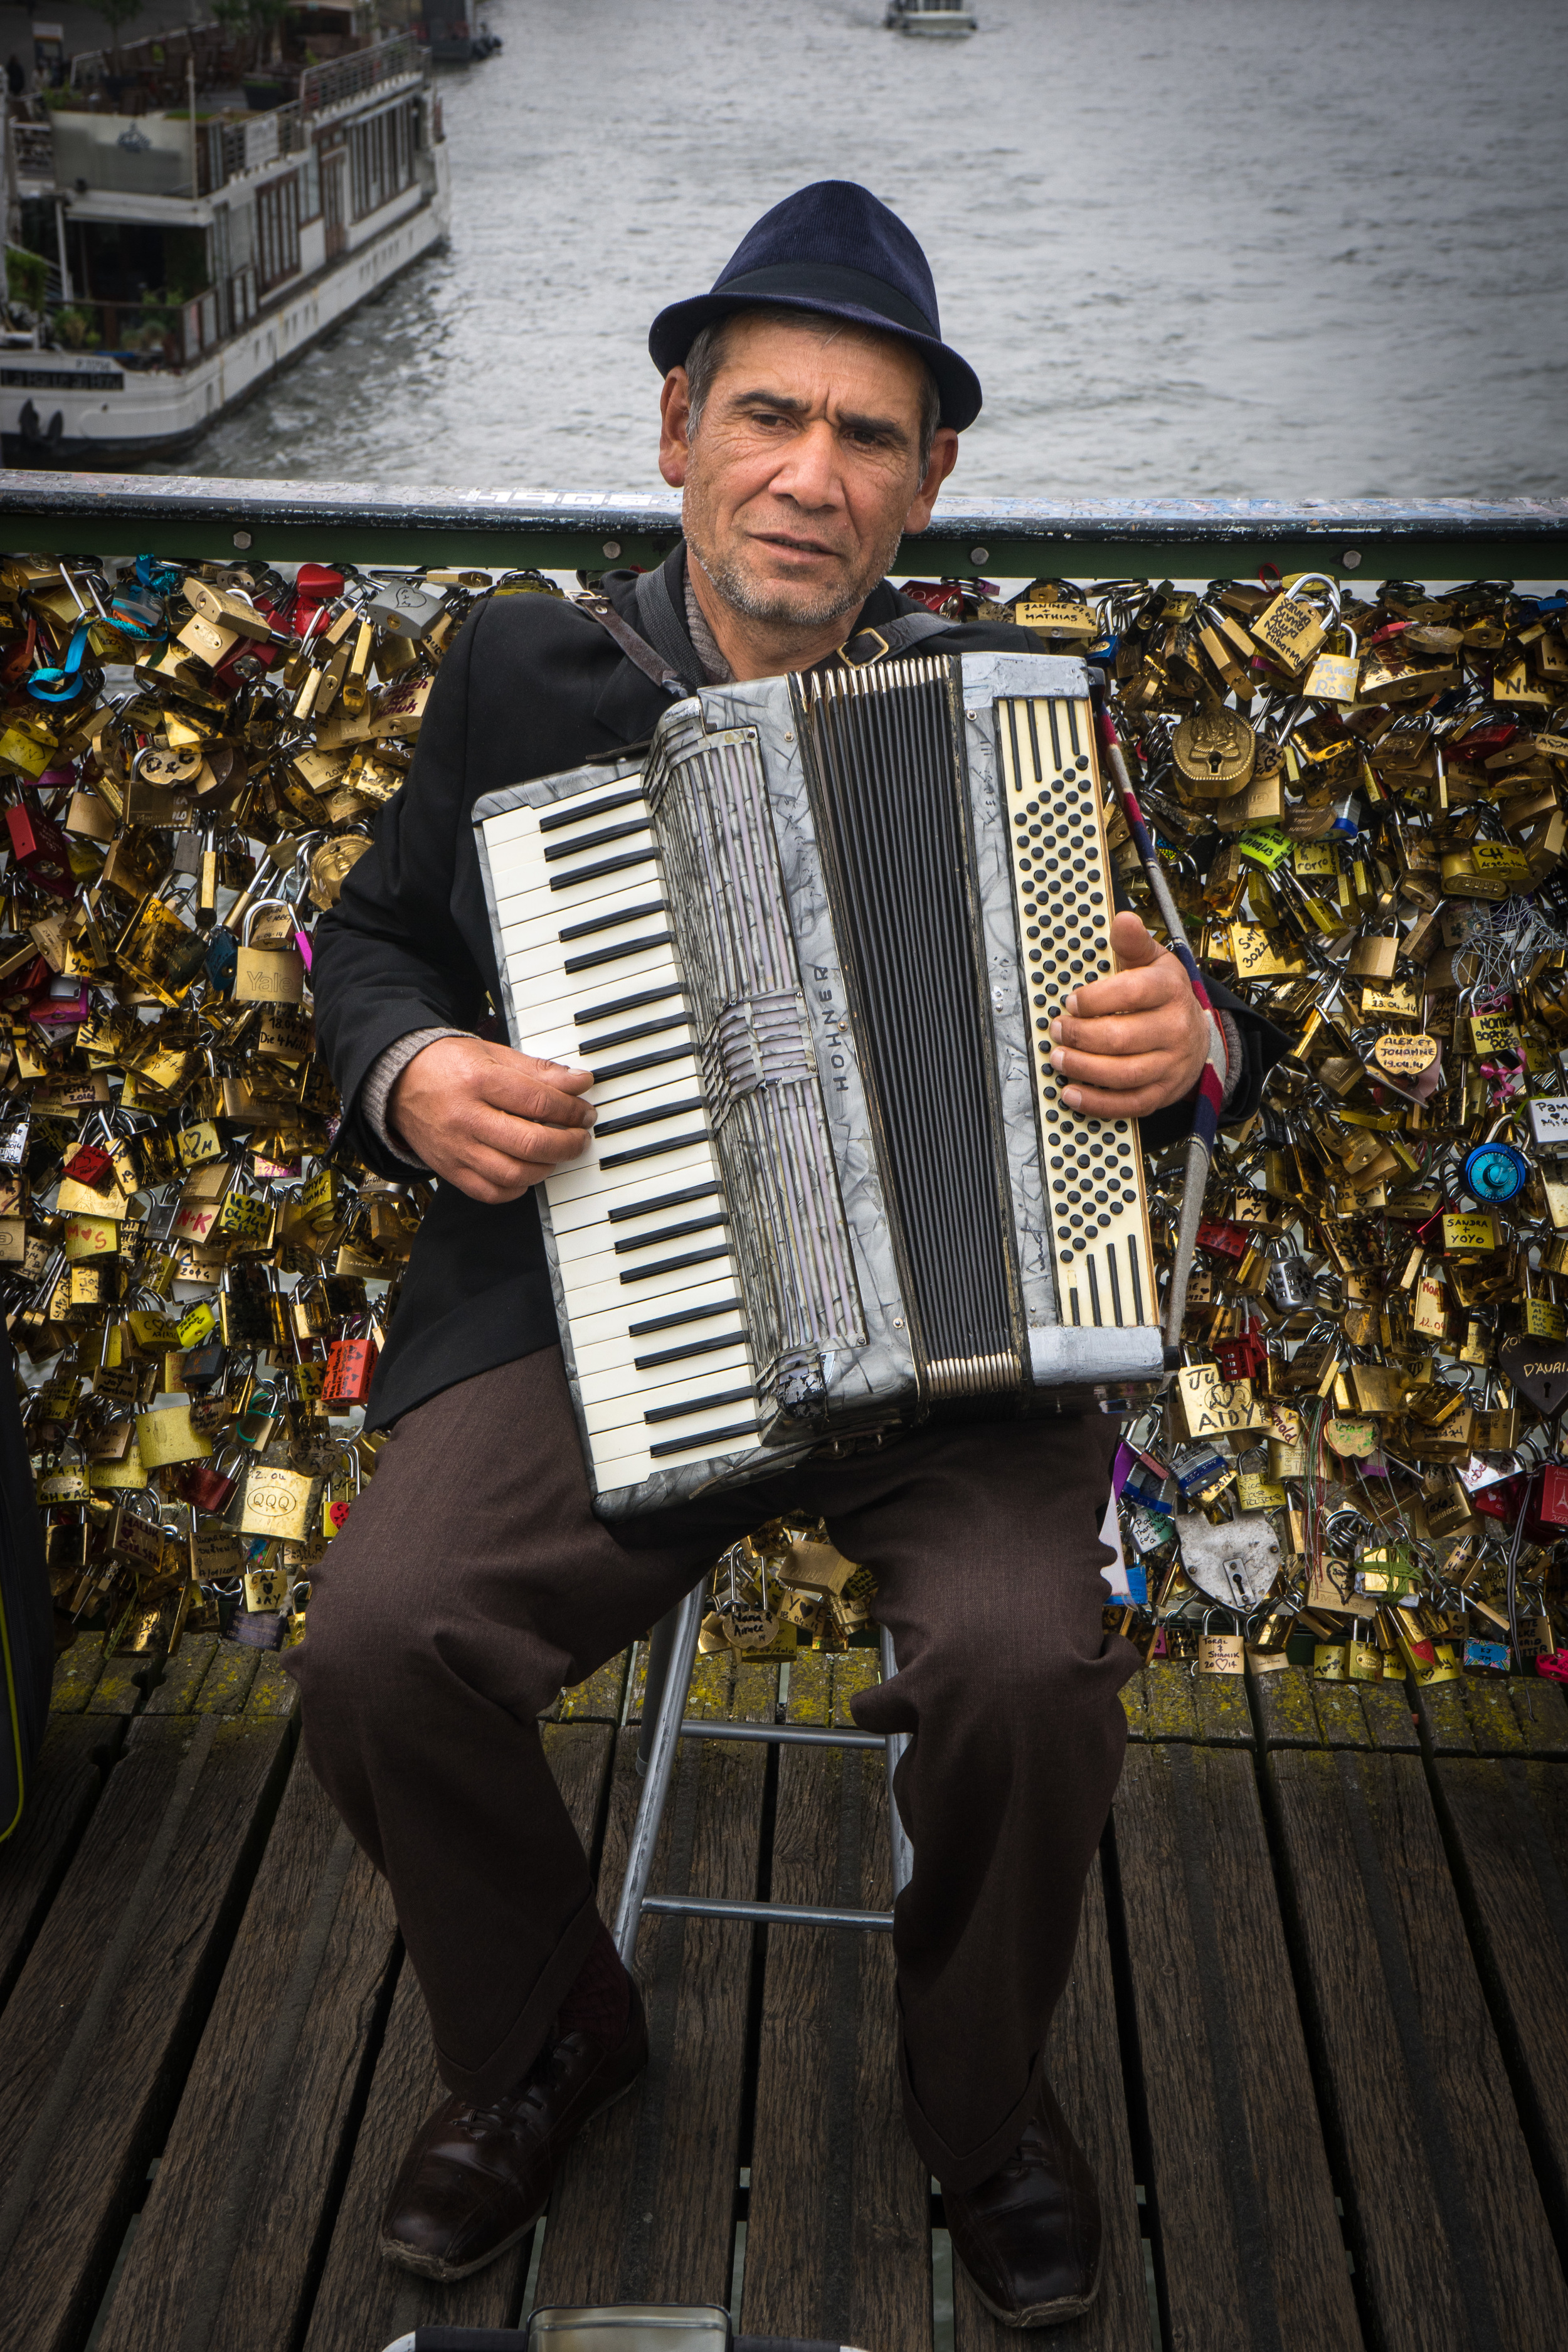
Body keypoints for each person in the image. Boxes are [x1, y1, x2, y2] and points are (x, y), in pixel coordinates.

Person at [297, 181, 1285, 2330]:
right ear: (676, 430)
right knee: (376, 1639)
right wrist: (418, 1071)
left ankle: (977, 2103)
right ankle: (550, 2026)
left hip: (953, 1358)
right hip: (597, 1306)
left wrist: (1186, 1034)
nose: (809, 478)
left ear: (928, 483)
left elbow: (1206, 1008)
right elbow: (366, 942)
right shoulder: (522, 671)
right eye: (769, 417)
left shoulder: (1013, 710)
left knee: (1029, 1671)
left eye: (866, 437)